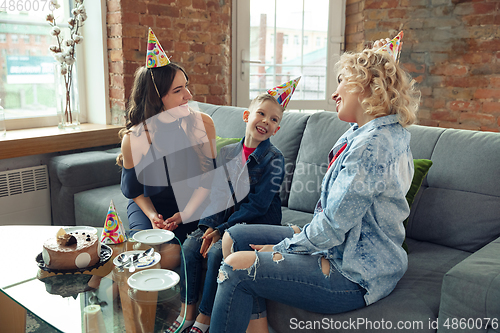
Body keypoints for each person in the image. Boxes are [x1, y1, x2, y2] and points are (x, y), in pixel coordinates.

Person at [210, 31, 421, 333]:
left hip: (354, 271)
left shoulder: (372, 146)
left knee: (236, 266)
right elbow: (340, 217)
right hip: (343, 244)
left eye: (341, 81)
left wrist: (283, 246)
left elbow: (333, 227)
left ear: (365, 86)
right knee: (235, 236)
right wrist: (297, 240)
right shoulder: (364, 133)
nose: (334, 93)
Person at [167, 78, 300, 333]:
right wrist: (209, 226)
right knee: (191, 246)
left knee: (218, 252)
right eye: (261, 114)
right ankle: (188, 311)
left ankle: (204, 320)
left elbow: (258, 205)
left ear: (277, 129)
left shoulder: (274, 159)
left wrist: (222, 229)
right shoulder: (228, 153)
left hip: (255, 223)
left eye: (273, 119)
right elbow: (217, 194)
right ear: (247, 115)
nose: (265, 121)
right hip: (222, 221)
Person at [117, 28, 216, 269]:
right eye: (178, 90)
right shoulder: (134, 138)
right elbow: (134, 190)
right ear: (155, 97)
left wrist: (186, 213)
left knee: (169, 255)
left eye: (186, 86)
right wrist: (152, 216)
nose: (189, 95)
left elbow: (208, 180)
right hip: (150, 205)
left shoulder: (202, 124)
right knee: (142, 252)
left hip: (192, 204)